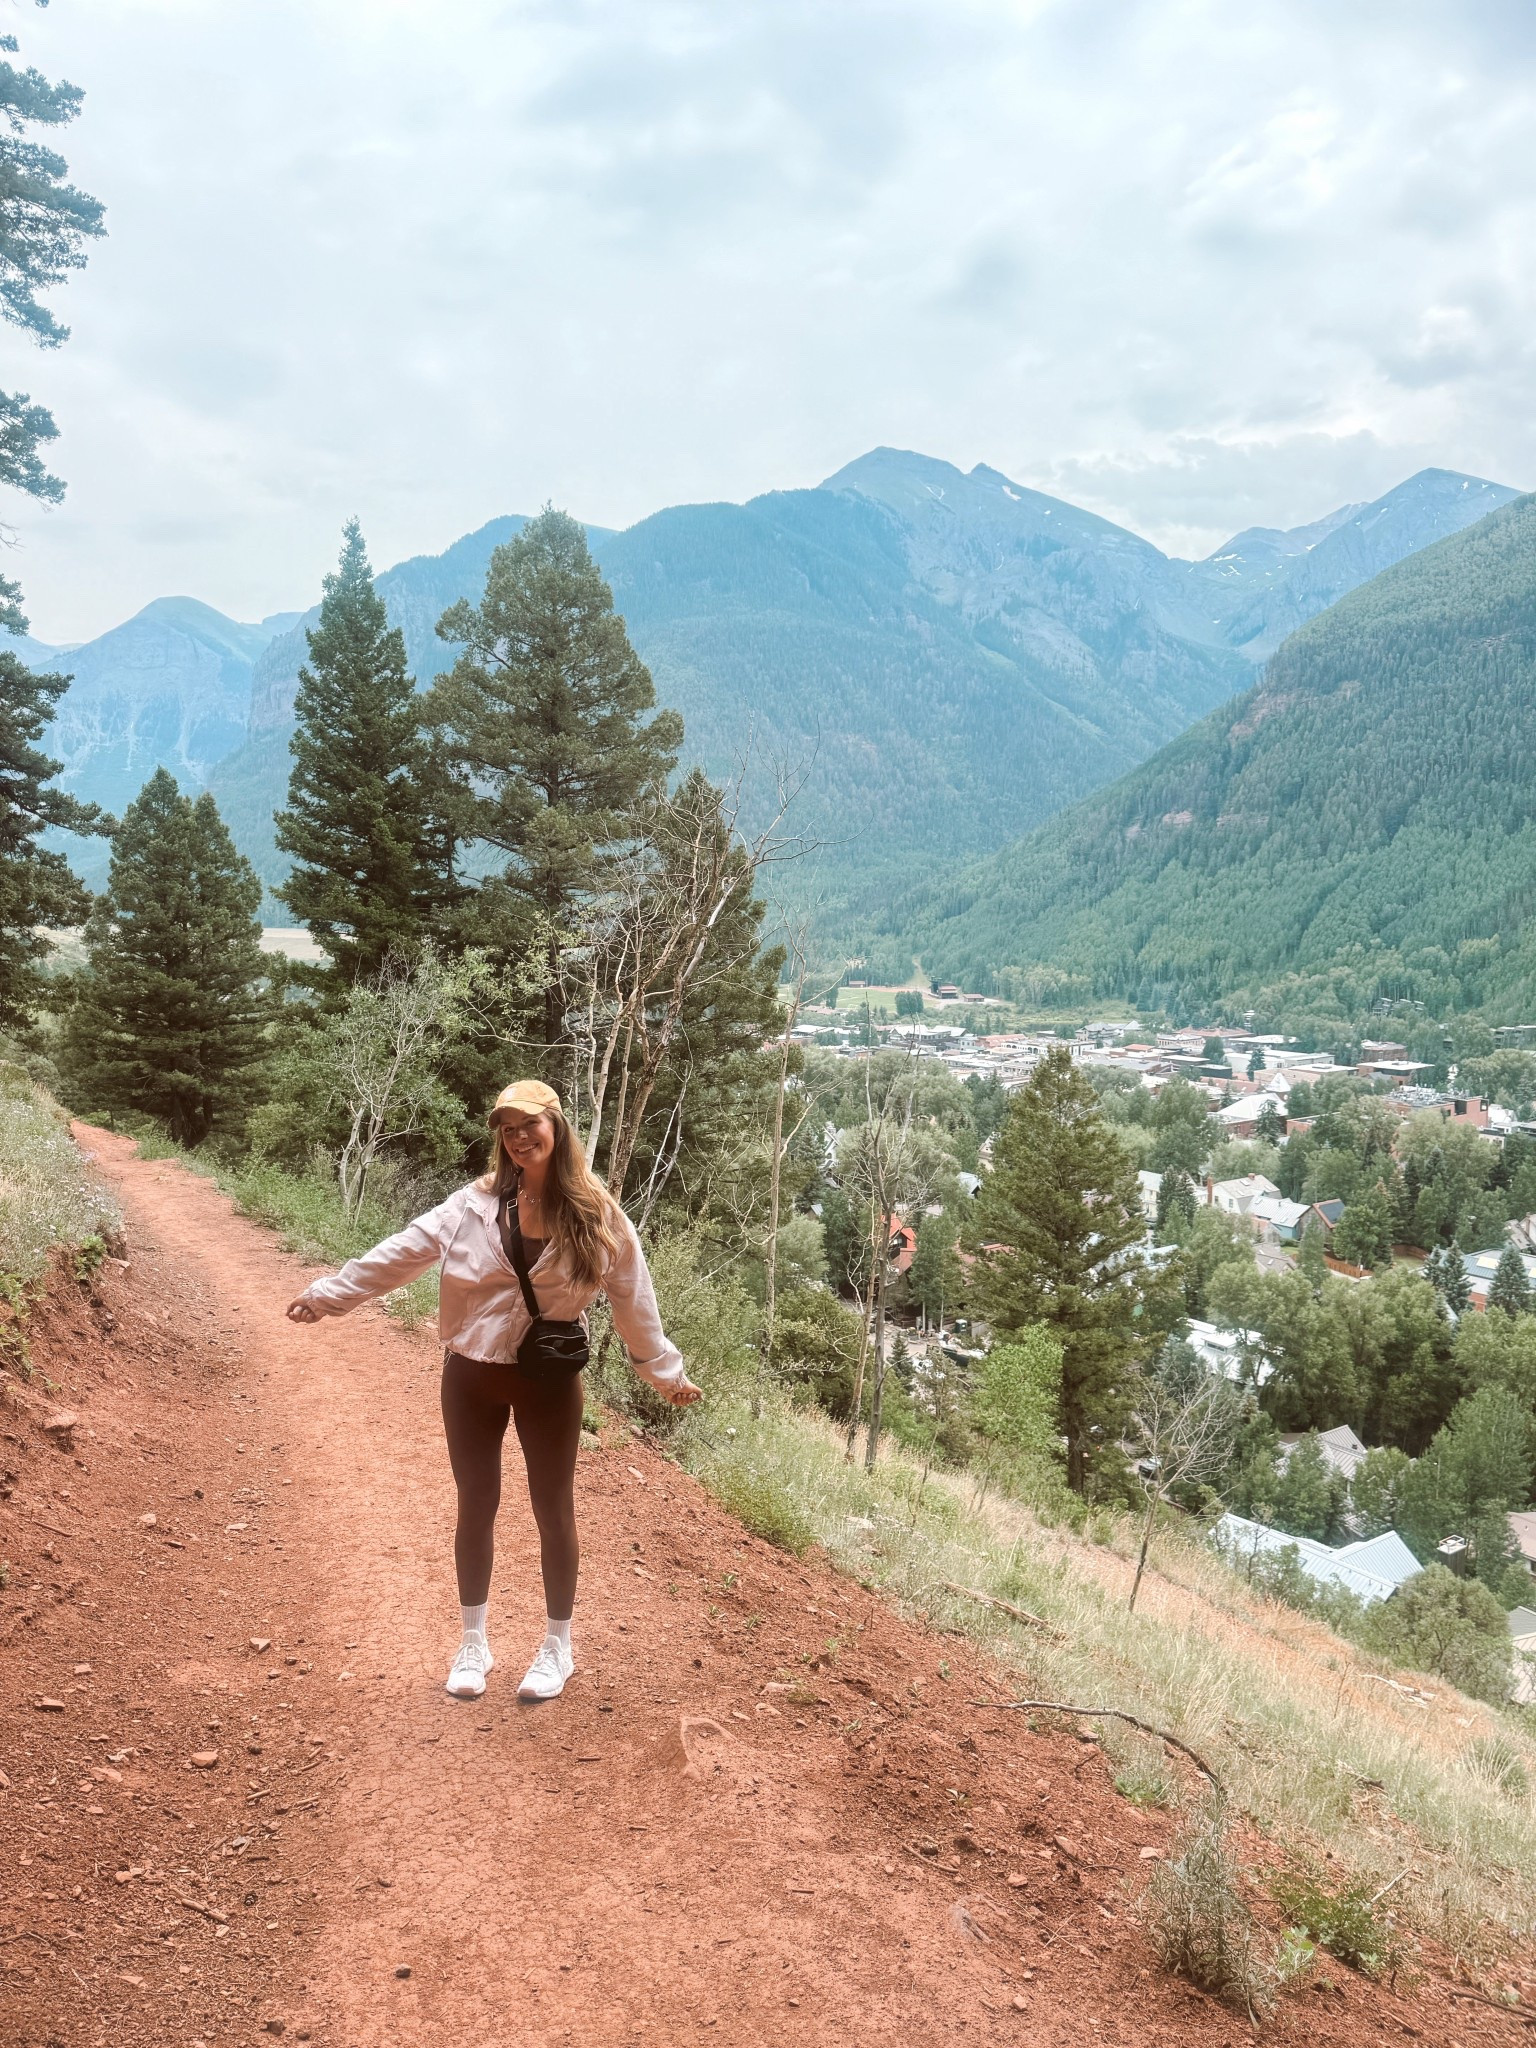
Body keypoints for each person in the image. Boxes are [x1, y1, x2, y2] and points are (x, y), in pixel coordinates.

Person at [285, 1079, 700, 1702]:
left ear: (557, 1129)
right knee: (475, 1504)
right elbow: (400, 1253)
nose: (518, 1136)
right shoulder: (472, 1205)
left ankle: (558, 1647)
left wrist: (663, 1372)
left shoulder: (596, 1213)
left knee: (552, 1509)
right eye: (507, 1127)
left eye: (530, 1123)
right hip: (470, 1374)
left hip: (548, 1382)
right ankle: (473, 1642)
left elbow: (633, 1299)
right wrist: (329, 1295)